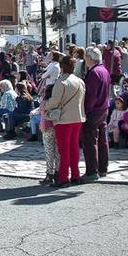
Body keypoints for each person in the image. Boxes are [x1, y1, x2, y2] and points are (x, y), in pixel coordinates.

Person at [42, 55, 86, 187]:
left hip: (64, 119)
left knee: (64, 149)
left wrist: (45, 105)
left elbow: (55, 101)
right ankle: (76, 175)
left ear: (62, 66)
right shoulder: (80, 81)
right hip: (78, 117)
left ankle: (63, 177)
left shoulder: (61, 82)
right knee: (74, 148)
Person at [81, 46, 111, 182]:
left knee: (90, 140)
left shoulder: (94, 73)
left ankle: (92, 171)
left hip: (94, 110)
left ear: (89, 58)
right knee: (102, 140)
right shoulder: (104, 70)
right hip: (103, 109)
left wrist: (85, 111)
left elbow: (91, 95)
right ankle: (103, 168)